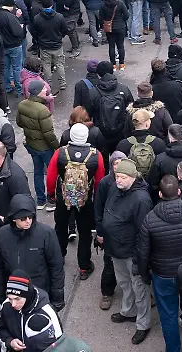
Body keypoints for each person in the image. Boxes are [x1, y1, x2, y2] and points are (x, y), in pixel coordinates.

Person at [137, 175, 182, 352]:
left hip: (163, 274)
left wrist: (145, 275)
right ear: (179, 192)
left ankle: (173, 349)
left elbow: (143, 252)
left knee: (168, 315)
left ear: (160, 194)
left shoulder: (150, 219)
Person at [94, 158, 153, 342]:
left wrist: (138, 258)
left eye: (121, 177)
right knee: (124, 282)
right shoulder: (116, 187)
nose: (117, 180)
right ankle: (129, 311)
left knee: (139, 288)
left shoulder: (141, 199)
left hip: (130, 252)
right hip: (115, 248)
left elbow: (144, 232)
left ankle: (143, 324)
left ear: (133, 177)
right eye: (117, 176)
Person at [46, 123, 105, 278]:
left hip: (63, 198)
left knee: (60, 228)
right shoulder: (96, 155)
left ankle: (59, 259)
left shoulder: (60, 152)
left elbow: (51, 177)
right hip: (85, 200)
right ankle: (84, 267)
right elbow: (99, 181)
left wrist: (52, 195)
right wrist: (96, 200)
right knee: (85, 233)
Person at [0, 194, 65, 309]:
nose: (28, 221)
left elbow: (56, 267)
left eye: (30, 217)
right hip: (14, 298)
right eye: (23, 218)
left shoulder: (46, 234)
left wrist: (57, 299)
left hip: (39, 296)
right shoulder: (2, 235)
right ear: (14, 218)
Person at [0, 273, 65, 352]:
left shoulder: (47, 310)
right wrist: (10, 342)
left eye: (17, 299)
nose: (13, 304)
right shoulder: (7, 305)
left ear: (27, 295)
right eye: (10, 298)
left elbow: (60, 343)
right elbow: (1, 330)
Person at [17, 81, 58, 209]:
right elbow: (48, 134)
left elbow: (19, 122)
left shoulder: (22, 105)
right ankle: (51, 200)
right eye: (44, 89)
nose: (46, 90)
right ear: (39, 92)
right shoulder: (42, 111)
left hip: (31, 145)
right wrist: (57, 146)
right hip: (45, 147)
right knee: (52, 173)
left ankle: (40, 200)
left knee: (38, 171)